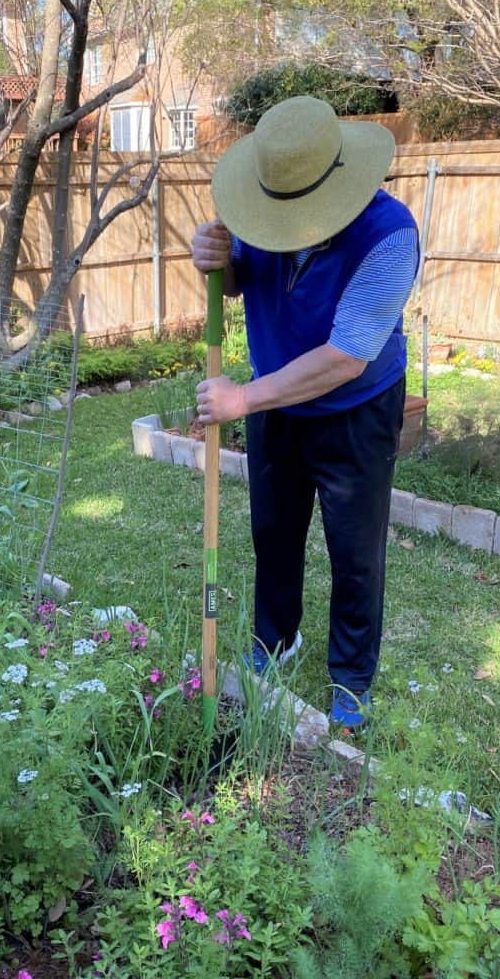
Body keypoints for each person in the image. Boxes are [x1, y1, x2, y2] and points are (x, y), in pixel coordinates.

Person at [191, 95, 419, 729]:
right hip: (276, 404)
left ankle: (350, 678)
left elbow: (347, 356)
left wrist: (244, 399)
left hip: (356, 408)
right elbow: (246, 279)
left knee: (354, 548)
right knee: (275, 531)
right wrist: (218, 264)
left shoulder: (389, 236)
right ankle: (278, 639)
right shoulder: (264, 208)